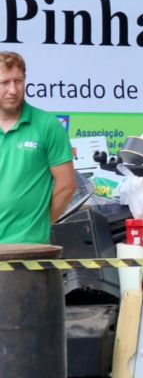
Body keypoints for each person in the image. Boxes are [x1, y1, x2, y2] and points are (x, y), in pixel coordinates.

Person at [0, 52, 75, 245]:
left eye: (18, 81)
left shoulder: (47, 125)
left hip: (28, 248)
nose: (13, 90)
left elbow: (66, 185)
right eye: (4, 83)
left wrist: (38, 224)